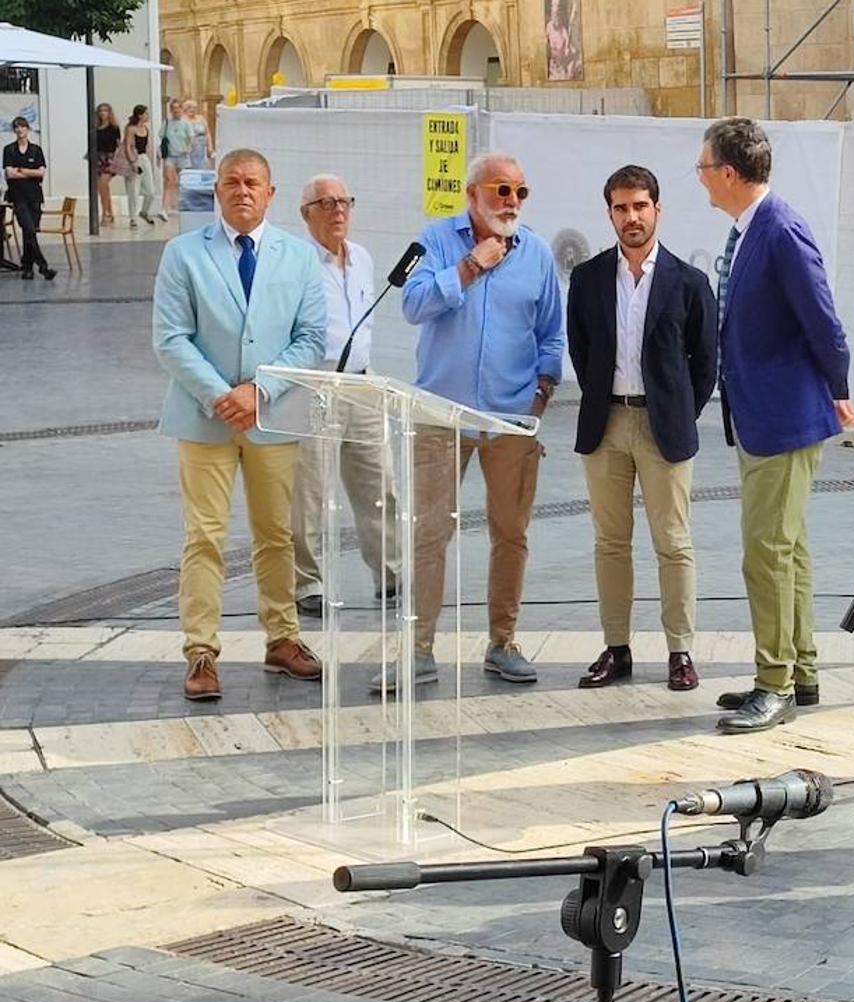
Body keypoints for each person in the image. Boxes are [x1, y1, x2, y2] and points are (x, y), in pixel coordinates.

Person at [696, 117, 854, 734]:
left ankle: (775, 683)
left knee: (764, 552)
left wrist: (837, 390)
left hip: (784, 416)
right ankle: (801, 670)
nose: (702, 179)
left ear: (729, 174)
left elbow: (824, 320)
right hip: (765, 414)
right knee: (787, 548)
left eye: (705, 167)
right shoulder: (751, 229)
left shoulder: (780, 228)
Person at [383, 152, 564, 690]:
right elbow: (412, 305)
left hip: (510, 418)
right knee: (428, 534)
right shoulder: (436, 240)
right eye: (501, 190)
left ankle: (503, 642)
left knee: (511, 531)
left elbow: (552, 333)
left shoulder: (536, 253)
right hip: (439, 413)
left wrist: (541, 395)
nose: (512, 202)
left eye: (520, 192)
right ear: (472, 194)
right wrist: (470, 266)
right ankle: (417, 649)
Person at [151, 149, 328, 700]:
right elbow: (171, 337)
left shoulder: (299, 258)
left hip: (273, 417)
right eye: (232, 182)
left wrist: (261, 391)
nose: (243, 191)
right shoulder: (183, 254)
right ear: (217, 191)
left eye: (253, 183)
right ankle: (201, 651)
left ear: (271, 193)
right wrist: (220, 395)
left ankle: (282, 638)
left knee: (277, 534)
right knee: (203, 536)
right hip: (204, 418)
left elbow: (312, 339)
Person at [567, 165, 718, 692]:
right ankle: (617, 649)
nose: (631, 217)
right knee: (610, 542)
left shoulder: (690, 282)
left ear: (657, 209)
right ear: (609, 213)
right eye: (620, 207)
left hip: (664, 428)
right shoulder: (587, 279)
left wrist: (677, 411)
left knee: (673, 542)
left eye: (640, 206)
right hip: (605, 424)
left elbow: (705, 364)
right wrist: (609, 404)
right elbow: (582, 353)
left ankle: (680, 652)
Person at [290, 174, 400, 616]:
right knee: (310, 492)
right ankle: (306, 583)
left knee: (381, 486)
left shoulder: (364, 259)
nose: (338, 211)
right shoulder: (295, 264)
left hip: (362, 382)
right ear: (306, 213)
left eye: (344, 202)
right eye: (326, 203)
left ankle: (391, 574)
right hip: (314, 383)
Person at [4, 117, 56, 281]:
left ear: (28, 129)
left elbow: (41, 172)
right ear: (14, 131)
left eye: (22, 127)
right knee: (29, 229)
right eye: (17, 128)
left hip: (34, 197)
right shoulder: (9, 150)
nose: (20, 130)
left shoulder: (36, 150)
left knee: (29, 233)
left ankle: (27, 267)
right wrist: (29, 172)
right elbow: (9, 173)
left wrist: (21, 170)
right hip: (18, 197)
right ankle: (43, 267)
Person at [121, 105, 164, 227]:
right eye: (146, 113)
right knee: (133, 190)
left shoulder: (145, 128)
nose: (148, 116)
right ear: (140, 115)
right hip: (135, 158)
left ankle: (144, 212)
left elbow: (147, 146)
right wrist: (133, 162)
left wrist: (154, 158)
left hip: (144, 159)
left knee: (151, 191)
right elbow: (128, 146)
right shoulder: (131, 129)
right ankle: (133, 218)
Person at [93, 104, 122, 227]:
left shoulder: (114, 128)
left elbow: (118, 144)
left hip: (110, 158)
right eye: (100, 111)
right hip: (98, 157)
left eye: (105, 110)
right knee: (101, 187)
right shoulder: (95, 127)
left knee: (104, 183)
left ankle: (106, 213)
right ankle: (108, 212)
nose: (103, 113)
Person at [162, 99, 193, 213]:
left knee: (184, 182)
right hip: (170, 156)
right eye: (173, 108)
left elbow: (191, 138)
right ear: (170, 110)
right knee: (169, 180)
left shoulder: (186, 123)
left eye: (178, 108)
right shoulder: (166, 123)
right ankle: (165, 208)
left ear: (181, 109)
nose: (176, 110)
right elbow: (162, 138)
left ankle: (184, 205)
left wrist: (188, 148)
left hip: (182, 156)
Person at [184, 101, 213, 171]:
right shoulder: (182, 120)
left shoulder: (201, 118)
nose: (192, 109)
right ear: (185, 109)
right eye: (189, 107)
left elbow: (207, 133)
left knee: (203, 168)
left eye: (194, 107)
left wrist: (210, 146)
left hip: (202, 149)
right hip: (190, 149)